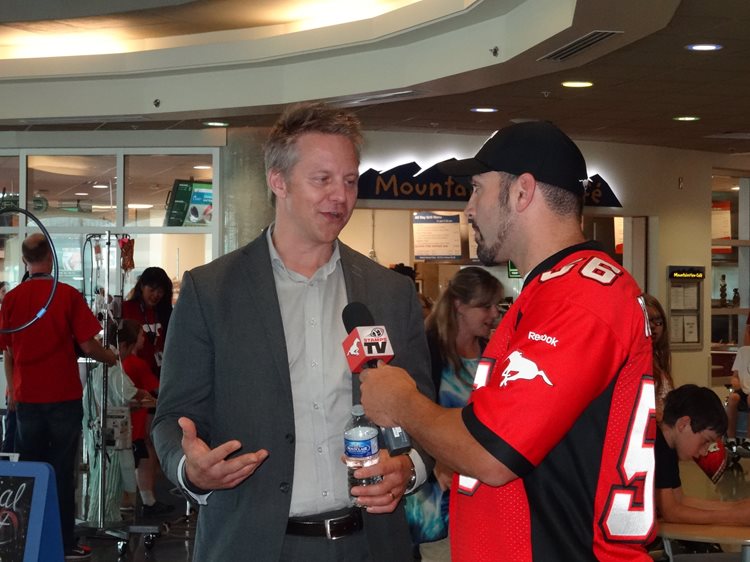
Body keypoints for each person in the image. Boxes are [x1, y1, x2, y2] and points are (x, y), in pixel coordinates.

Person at [359, 121, 656, 561]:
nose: (469, 208)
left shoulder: (581, 297)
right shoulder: (551, 290)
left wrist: (401, 400)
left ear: (522, 192)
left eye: (478, 189)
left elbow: (491, 455)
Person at [152, 102, 434, 561]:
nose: (340, 197)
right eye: (321, 179)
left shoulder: (389, 292)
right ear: (278, 181)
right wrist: (192, 469)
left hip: (372, 544)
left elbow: (422, 412)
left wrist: (411, 466)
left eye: (349, 180)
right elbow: (172, 419)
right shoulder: (212, 292)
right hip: (253, 544)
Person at [0, 233, 117, 560]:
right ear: (50, 257)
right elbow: (89, 345)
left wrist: (13, 390)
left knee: (29, 472)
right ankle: (65, 544)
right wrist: (112, 357)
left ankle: (25, 541)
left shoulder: (11, 299)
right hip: (63, 398)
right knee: (61, 472)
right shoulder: (65, 295)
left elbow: (8, 352)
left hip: (25, 400)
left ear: (25, 261)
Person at [406, 266, 501, 553]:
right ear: (459, 306)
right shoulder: (425, 350)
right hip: (435, 492)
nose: (495, 314)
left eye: (496, 305)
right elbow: (409, 415)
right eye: (485, 306)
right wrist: (436, 461)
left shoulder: (494, 351)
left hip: (482, 486)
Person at [654, 384, 750, 524]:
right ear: (684, 424)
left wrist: (736, 506)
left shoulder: (668, 447)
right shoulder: (656, 445)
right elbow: (671, 512)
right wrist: (735, 516)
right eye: (706, 441)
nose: (705, 451)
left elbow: (680, 500)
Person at [121, 267, 174, 516]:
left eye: (161, 291)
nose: (156, 295)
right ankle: (140, 499)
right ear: (141, 286)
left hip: (155, 379)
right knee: (141, 445)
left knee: (147, 443)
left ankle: (146, 498)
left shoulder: (165, 313)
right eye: (152, 289)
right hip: (138, 383)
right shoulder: (128, 310)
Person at [115, 318, 159, 511]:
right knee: (134, 461)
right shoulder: (135, 364)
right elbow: (150, 390)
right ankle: (137, 501)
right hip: (134, 426)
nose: (144, 339)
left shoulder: (121, 365)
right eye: (141, 335)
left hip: (126, 424)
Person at [643, 293, 674, 421]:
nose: (653, 326)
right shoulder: (632, 361)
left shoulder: (658, 357)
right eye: (647, 320)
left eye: (658, 321)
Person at [725, 345, 750, 453]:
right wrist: (735, 380)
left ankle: (748, 440)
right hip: (743, 388)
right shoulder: (743, 351)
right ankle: (731, 440)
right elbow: (735, 375)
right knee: (733, 398)